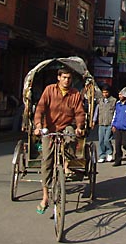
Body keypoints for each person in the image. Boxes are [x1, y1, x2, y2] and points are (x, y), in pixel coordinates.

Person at [34, 66, 85, 214]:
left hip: (66, 126)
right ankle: (45, 197)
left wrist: (79, 126)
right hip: (49, 128)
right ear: (59, 77)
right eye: (64, 77)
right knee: (47, 161)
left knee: (71, 136)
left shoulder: (75, 94)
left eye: (69, 78)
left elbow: (79, 112)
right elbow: (40, 109)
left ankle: (66, 164)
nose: (66, 80)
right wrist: (38, 125)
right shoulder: (49, 90)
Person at [92, 84, 116, 163]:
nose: (105, 94)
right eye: (103, 92)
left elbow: (116, 112)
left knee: (107, 140)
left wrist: (114, 123)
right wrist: (94, 120)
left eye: (106, 92)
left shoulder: (113, 101)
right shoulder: (100, 101)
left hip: (110, 124)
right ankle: (102, 155)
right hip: (101, 123)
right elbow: (96, 111)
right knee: (101, 140)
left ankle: (109, 153)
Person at [111, 92, 126, 166]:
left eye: (121, 94)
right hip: (118, 127)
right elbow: (115, 114)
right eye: (119, 94)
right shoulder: (117, 104)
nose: (119, 96)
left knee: (124, 144)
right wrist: (113, 125)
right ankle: (118, 160)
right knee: (117, 145)